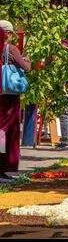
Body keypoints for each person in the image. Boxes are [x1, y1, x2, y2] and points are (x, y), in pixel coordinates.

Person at [0, 21, 31, 182]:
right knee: (7, 131)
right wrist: (27, 60)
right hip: (9, 96)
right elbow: (26, 68)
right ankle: (4, 166)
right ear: (8, 34)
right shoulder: (10, 49)